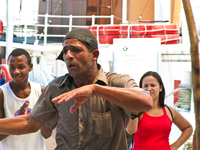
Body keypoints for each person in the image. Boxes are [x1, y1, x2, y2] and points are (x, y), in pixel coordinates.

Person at [0, 28, 153, 150]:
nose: (68, 56)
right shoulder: (56, 87)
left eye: (76, 50)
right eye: (65, 51)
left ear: (95, 54)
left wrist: (96, 90)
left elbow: (146, 101)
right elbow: (30, 122)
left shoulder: (117, 82)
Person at [126, 71, 193, 150]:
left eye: (153, 85)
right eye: (145, 86)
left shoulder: (170, 111)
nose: (149, 88)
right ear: (141, 89)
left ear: (160, 88)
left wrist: (175, 146)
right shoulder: (137, 110)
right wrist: (134, 107)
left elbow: (188, 128)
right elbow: (130, 130)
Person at [0, 48, 52, 150]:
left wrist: (39, 118)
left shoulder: (42, 92)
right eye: (12, 67)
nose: (16, 71)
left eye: (21, 67)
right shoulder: (2, 94)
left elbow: (47, 134)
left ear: (30, 67)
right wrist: (17, 121)